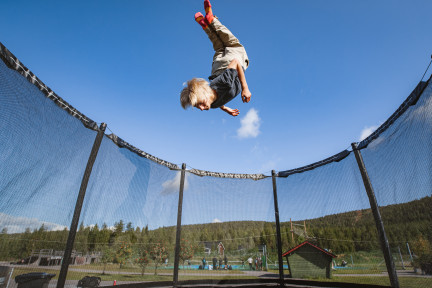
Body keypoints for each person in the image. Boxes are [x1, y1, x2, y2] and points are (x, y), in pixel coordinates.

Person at [180, 0, 251, 117]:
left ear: (205, 93)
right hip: (217, 68)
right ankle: (206, 25)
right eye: (198, 107)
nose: (202, 109)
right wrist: (226, 109)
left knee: (231, 42)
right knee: (218, 46)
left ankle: (212, 20)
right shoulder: (211, 103)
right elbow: (217, 101)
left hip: (230, 62)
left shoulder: (224, 83)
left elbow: (236, 62)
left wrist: (245, 88)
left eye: (200, 104)